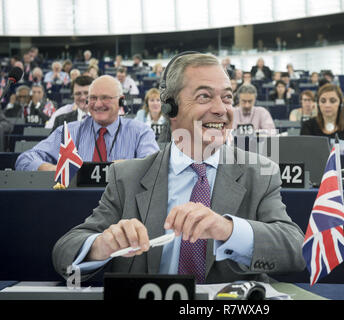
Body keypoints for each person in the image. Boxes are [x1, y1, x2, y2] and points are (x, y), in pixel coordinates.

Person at [52, 53, 305, 284]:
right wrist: (101, 245)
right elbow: (64, 251)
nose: (221, 109)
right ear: (170, 108)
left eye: (227, 97)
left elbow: (294, 250)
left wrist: (228, 230)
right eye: (204, 96)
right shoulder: (127, 177)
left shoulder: (259, 173)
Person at [15, 75, 159, 171]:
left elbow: (155, 166)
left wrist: (127, 166)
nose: (97, 104)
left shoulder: (140, 132)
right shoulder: (68, 132)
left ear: (121, 100)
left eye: (105, 98)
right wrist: (55, 169)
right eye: (93, 98)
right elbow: (25, 159)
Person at [301, 83, 344, 154]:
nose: (327, 105)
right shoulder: (308, 125)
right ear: (318, 104)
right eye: (323, 101)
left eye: (332, 101)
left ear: (340, 103)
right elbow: (302, 153)